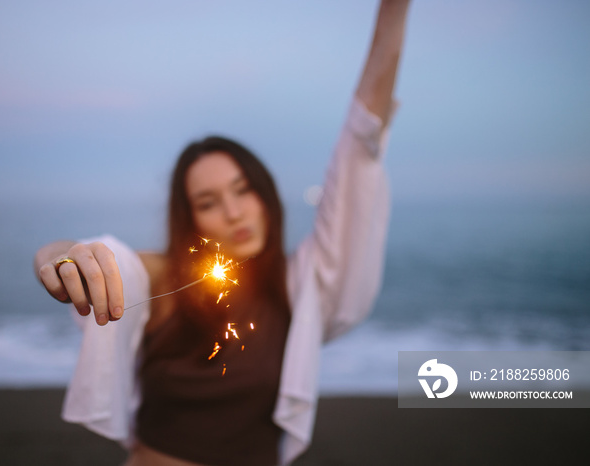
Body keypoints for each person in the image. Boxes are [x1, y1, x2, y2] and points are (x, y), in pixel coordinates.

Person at [34, 1, 410, 464]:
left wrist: (394, 11)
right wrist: (62, 255)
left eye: (243, 189)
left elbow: (361, 142)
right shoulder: (164, 278)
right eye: (208, 202)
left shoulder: (300, 290)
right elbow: (104, 258)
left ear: (265, 195)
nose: (234, 212)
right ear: (190, 219)